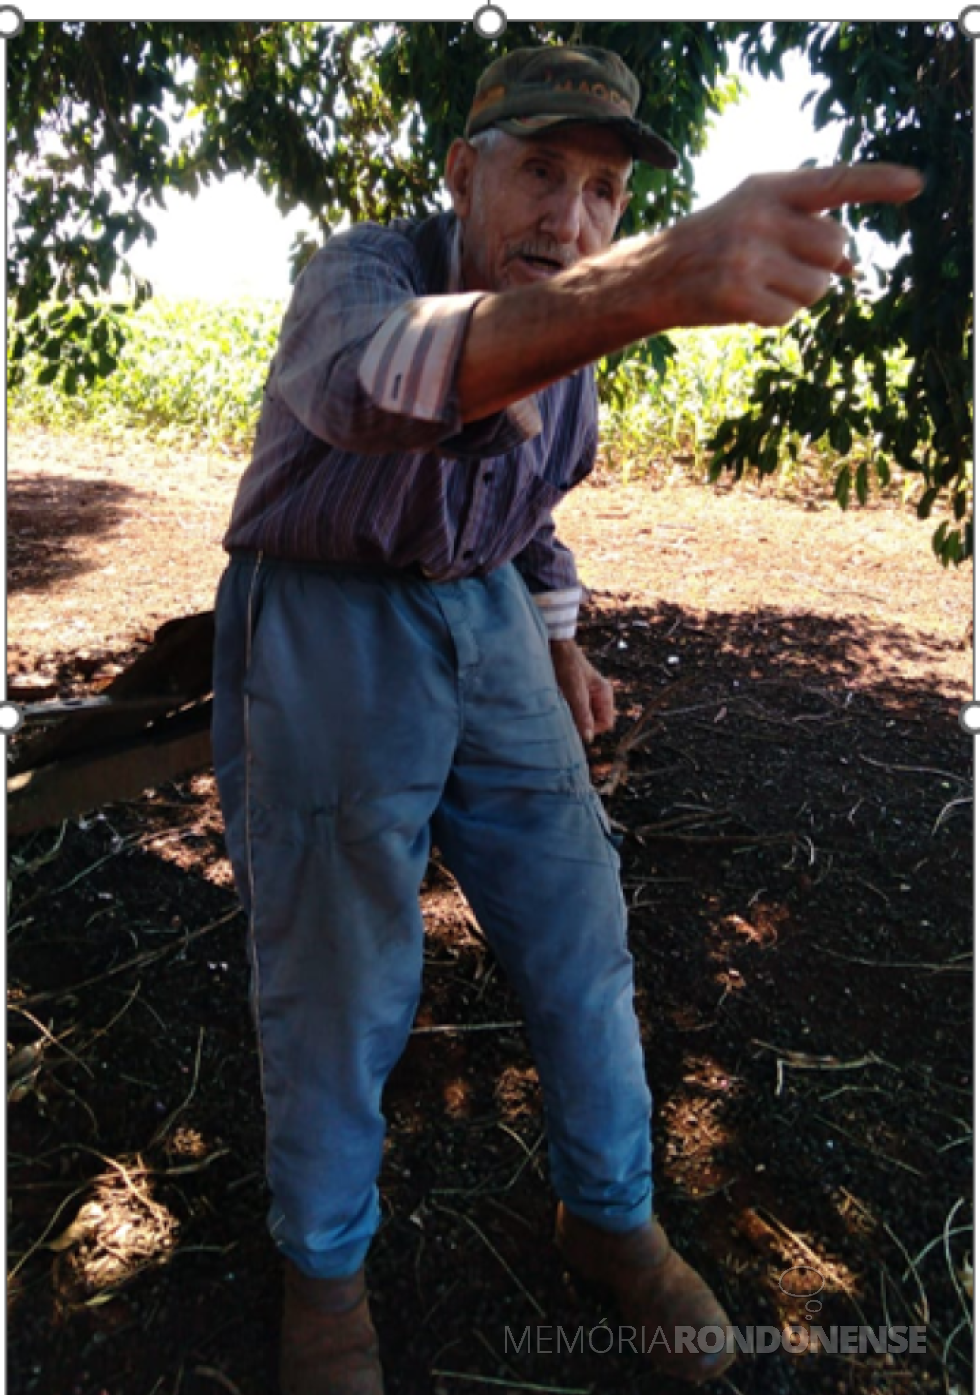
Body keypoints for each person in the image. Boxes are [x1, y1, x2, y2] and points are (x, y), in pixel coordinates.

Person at [211, 44, 923, 1395]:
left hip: (482, 613)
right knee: (342, 973)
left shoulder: (577, 328)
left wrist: (556, 640)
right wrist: (648, 280)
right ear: (462, 173)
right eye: (542, 172)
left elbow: (527, 507)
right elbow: (375, 384)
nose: (572, 217)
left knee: (581, 922)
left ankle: (609, 1215)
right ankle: (326, 1273)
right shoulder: (363, 272)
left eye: (603, 193)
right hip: (322, 607)